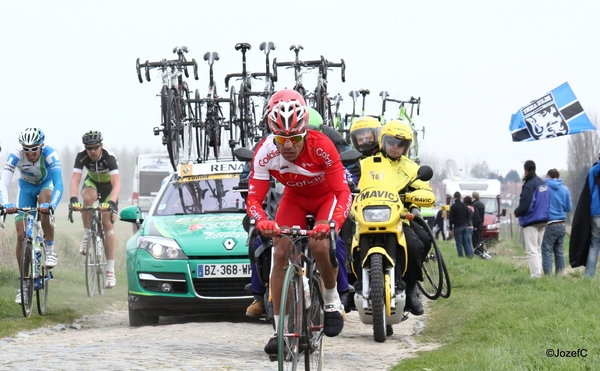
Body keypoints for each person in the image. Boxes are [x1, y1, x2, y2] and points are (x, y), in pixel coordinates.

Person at [246, 89, 350, 354]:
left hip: (326, 197)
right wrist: (262, 221)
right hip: (295, 198)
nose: (288, 146)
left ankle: (331, 300)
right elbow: (254, 200)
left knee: (319, 246)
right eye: (281, 139)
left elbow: (342, 192)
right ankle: (279, 331)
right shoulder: (264, 152)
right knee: (279, 254)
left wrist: (331, 223)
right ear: (273, 135)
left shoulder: (322, 145)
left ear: (305, 133)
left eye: (295, 138)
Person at [370, 119, 434, 316]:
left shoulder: (412, 168)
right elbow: (351, 180)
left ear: (407, 147)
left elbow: (425, 190)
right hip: (369, 216)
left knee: (419, 243)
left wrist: (415, 200)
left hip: (399, 218)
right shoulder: (368, 163)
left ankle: (410, 287)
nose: (395, 148)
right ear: (382, 141)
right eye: (391, 142)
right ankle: (346, 289)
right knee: (345, 240)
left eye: (401, 144)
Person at [0, 128, 63, 304]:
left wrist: (51, 207)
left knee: (45, 202)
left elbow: (59, 184)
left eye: (34, 149)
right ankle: (24, 284)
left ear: (41, 146)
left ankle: (50, 249)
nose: (30, 154)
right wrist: (5, 204)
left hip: (45, 185)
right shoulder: (15, 155)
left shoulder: (50, 154)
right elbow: (3, 183)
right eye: (26, 150)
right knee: (21, 236)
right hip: (25, 189)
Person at [69, 131, 121, 288]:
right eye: (88, 148)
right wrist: (72, 200)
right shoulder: (81, 156)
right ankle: (87, 236)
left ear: (101, 146)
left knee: (107, 223)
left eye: (95, 148)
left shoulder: (109, 157)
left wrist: (111, 202)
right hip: (92, 183)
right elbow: (75, 179)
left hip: (109, 188)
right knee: (87, 200)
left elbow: (117, 184)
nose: (92, 151)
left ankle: (110, 272)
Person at [514, 160, 547, 278]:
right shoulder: (542, 183)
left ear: (526, 170)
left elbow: (526, 204)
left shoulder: (529, 184)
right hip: (543, 220)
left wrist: (517, 212)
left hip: (531, 221)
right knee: (538, 249)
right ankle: (539, 274)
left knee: (532, 250)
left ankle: (535, 276)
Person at [541, 169, 572, 275]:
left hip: (550, 224)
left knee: (546, 251)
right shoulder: (565, 190)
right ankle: (560, 275)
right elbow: (569, 207)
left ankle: (548, 276)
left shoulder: (544, 189)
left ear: (547, 176)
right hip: (562, 224)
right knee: (559, 252)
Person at [449, 191, 472, 257]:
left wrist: (451, 228)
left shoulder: (453, 207)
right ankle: (468, 255)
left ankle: (461, 256)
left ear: (454, 197)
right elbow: (468, 215)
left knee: (459, 243)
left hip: (458, 226)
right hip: (465, 226)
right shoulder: (465, 206)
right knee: (466, 242)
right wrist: (467, 222)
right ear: (460, 197)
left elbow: (451, 219)